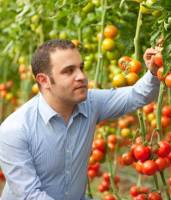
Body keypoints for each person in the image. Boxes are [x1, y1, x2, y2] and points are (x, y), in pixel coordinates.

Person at [0, 39, 160, 200]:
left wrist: (153, 71)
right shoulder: (15, 130)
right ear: (43, 80)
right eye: (69, 71)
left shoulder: (91, 103)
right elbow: (29, 196)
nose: (82, 77)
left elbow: (137, 95)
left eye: (81, 68)